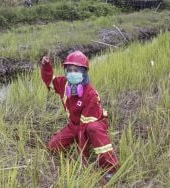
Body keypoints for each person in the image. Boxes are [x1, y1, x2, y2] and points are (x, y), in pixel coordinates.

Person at [41, 51, 119, 183]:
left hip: (94, 122)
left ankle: (111, 167)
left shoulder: (91, 94)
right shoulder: (64, 83)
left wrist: (83, 158)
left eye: (76, 70)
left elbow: (84, 127)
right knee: (53, 147)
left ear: (84, 72)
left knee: (93, 129)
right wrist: (46, 66)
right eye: (69, 70)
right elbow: (50, 81)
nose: (72, 73)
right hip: (74, 125)